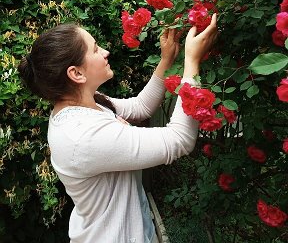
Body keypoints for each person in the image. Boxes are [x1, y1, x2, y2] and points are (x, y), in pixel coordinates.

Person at [18, 14, 217, 243]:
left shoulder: (87, 103)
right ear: (76, 74)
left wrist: (166, 60)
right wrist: (192, 63)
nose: (105, 52)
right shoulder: (83, 135)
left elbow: (139, 107)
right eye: (95, 50)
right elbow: (179, 140)